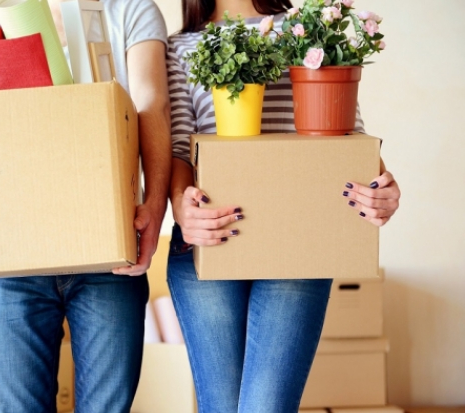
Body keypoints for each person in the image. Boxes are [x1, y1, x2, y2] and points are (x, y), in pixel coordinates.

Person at [0, 1, 171, 412]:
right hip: (19, 256)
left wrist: (154, 205)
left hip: (108, 254)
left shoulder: (128, 9)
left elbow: (153, 107)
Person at [165, 0, 401, 412]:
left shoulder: (307, 30)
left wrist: (379, 188)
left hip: (299, 247)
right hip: (211, 240)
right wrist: (183, 212)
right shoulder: (180, 46)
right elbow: (179, 150)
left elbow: (347, 135)